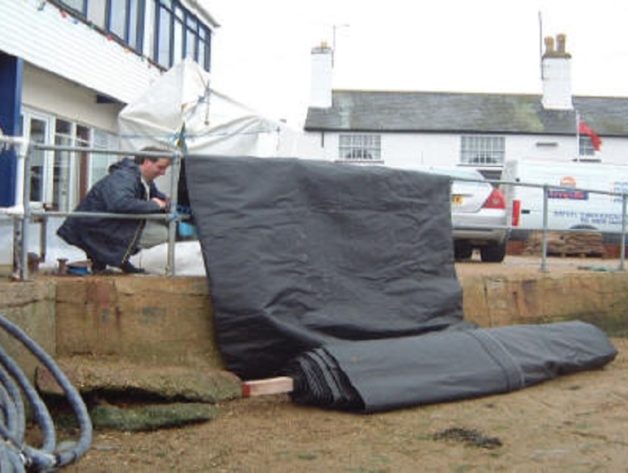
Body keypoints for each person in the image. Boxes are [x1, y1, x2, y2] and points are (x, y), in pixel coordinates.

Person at [57, 148, 171, 274]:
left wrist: (169, 203)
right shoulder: (123, 177)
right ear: (147, 161)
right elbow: (120, 203)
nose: (163, 173)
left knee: (152, 228)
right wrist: (154, 205)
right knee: (160, 233)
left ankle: (110, 258)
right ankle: (111, 257)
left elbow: (158, 197)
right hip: (95, 226)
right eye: (160, 167)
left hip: (102, 222)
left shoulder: (142, 179)